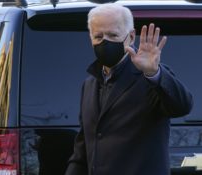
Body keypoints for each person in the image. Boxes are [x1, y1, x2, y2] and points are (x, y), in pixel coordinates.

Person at [65, 3, 193, 175]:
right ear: (90, 38)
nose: (105, 41)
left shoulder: (150, 77)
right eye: (98, 36)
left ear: (131, 37)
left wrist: (153, 73)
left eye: (113, 35)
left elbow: (182, 106)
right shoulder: (89, 84)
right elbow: (82, 150)